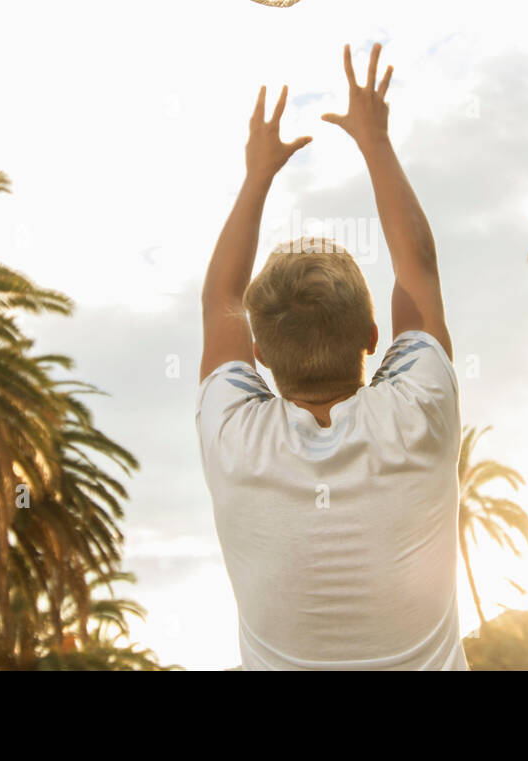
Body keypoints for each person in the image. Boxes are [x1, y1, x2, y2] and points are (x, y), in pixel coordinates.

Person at [197, 43, 467, 670]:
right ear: (373, 335)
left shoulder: (234, 437)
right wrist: (374, 141)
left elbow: (218, 299)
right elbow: (417, 269)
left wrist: (256, 174)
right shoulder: (418, 411)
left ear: (259, 354)